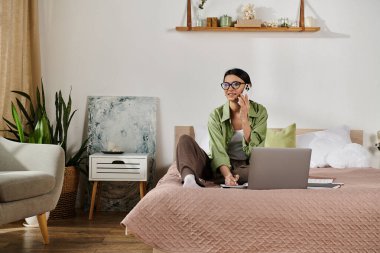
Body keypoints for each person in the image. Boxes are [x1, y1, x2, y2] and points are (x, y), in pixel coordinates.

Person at [176, 68, 268, 188]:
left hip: (246, 166)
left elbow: (255, 151)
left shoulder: (260, 111)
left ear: (247, 86)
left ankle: (229, 178)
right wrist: (227, 175)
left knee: (262, 169)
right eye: (226, 84)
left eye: (235, 84)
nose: (230, 88)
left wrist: (245, 118)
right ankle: (189, 180)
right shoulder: (216, 115)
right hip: (218, 166)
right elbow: (217, 151)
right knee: (184, 140)